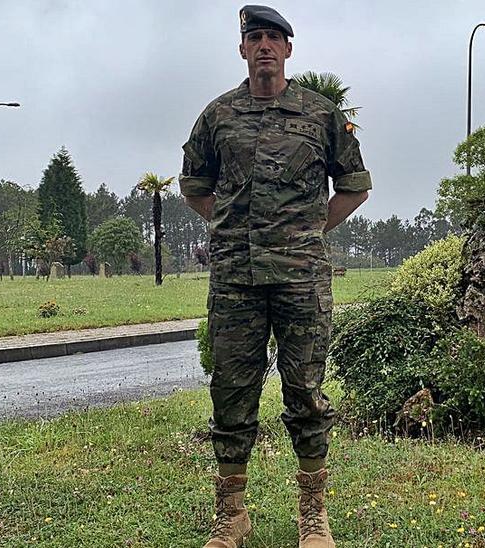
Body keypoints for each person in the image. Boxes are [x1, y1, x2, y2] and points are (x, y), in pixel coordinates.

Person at [179, 5, 371, 547]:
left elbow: (354, 185)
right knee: (231, 392)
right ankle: (232, 514)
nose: (264, 46)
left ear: (289, 49)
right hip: (236, 277)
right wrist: (230, 224)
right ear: (243, 50)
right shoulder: (217, 117)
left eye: (274, 38)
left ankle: (314, 515)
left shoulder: (320, 114)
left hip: (301, 279)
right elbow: (194, 185)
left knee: (305, 391)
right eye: (255, 37)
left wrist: (310, 229)